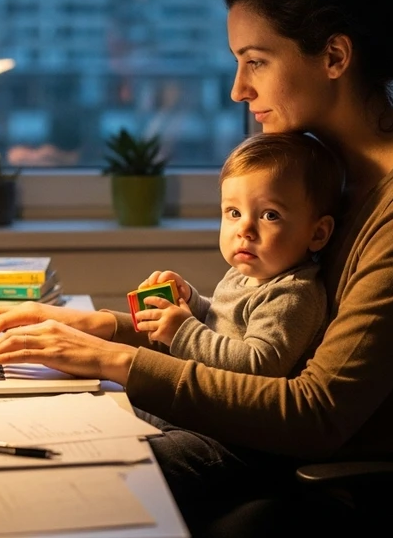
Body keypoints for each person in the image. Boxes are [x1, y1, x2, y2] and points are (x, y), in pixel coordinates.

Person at [0, 0, 393, 538]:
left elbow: (314, 412)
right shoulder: (335, 185)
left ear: (334, 55)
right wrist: (104, 326)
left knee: (82, 487)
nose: (239, 89)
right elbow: (256, 337)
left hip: (344, 498)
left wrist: (116, 359)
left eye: (256, 61)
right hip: (278, 463)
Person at [133, 132, 342, 376]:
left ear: (317, 234)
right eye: (234, 212)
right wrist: (191, 301)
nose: (245, 230)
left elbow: (258, 365)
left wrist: (184, 331)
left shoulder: (291, 295)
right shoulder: (243, 275)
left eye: (270, 215)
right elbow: (222, 322)